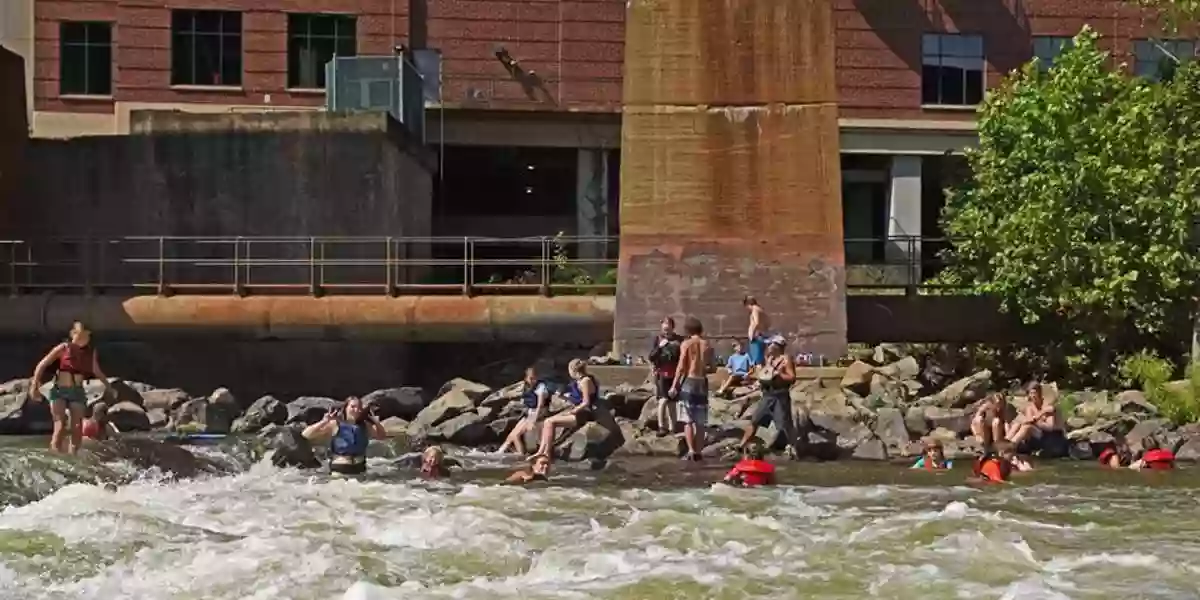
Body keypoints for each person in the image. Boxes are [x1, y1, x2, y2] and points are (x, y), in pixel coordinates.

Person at [29, 321, 113, 454]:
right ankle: (55, 454)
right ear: (72, 334)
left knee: (77, 426)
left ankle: (73, 455)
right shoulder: (63, 348)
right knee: (60, 425)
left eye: (86, 335)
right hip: (59, 391)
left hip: (77, 392)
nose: (83, 338)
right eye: (80, 334)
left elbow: (97, 371)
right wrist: (34, 386)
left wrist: (109, 387)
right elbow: (42, 365)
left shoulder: (90, 353)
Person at [535, 359, 621, 458]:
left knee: (551, 422)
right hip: (579, 410)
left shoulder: (586, 381)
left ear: (573, 370)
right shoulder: (578, 381)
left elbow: (586, 402)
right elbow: (576, 400)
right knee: (547, 421)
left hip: (585, 412)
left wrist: (573, 411)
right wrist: (563, 397)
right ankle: (542, 450)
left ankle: (546, 452)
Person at [739, 336, 805, 459]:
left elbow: (792, 378)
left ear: (777, 346)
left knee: (784, 424)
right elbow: (764, 375)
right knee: (755, 420)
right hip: (767, 395)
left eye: (770, 345)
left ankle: (793, 448)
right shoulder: (769, 359)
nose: (768, 347)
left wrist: (779, 374)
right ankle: (742, 445)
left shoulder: (786, 360)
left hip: (780, 396)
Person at [301, 396, 388, 475]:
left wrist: (377, 423)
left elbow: (382, 437)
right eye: (353, 407)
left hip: (360, 467)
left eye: (359, 407)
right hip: (340, 468)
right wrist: (324, 421)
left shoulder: (364, 425)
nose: (356, 410)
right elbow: (306, 434)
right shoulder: (335, 424)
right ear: (345, 408)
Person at [670, 317, 714, 461]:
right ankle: (699, 452)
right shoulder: (707, 345)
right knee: (700, 421)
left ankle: (690, 451)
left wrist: (674, 385)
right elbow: (713, 367)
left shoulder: (686, 344)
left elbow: (681, 367)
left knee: (688, 419)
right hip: (702, 383)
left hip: (689, 382)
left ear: (688, 330)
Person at [497, 367, 552, 455]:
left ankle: (521, 455)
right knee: (512, 435)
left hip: (538, 414)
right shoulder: (526, 386)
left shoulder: (541, 387)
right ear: (526, 378)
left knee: (515, 436)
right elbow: (523, 399)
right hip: (529, 413)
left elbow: (540, 405)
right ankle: (499, 452)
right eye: (530, 378)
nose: (533, 380)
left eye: (534, 378)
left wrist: (534, 420)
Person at [1007, 383, 1068, 458]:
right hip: (1038, 434)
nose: (1033, 395)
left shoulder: (1047, 406)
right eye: (1030, 393)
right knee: (1018, 425)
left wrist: (1037, 420)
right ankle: (1006, 442)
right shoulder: (1030, 407)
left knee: (1027, 427)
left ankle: (1011, 446)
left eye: (1034, 393)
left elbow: (1050, 427)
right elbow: (1029, 420)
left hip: (1052, 435)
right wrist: (1037, 417)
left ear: (1039, 393)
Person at [648, 317, 684, 437]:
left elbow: (682, 357)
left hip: (675, 374)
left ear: (673, 328)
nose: (666, 332)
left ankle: (673, 427)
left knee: (673, 402)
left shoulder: (679, 340)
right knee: (663, 400)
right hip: (662, 373)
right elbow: (651, 356)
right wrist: (660, 347)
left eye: (668, 330)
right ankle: (661, 426)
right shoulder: (658, 339)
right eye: (664, 330)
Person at [743, 296, 771, 367]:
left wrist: (753, 334)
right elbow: (768, 323)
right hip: (761, 335)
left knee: (757, 359)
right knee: (761, 358)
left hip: (756, 337)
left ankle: (759, 375)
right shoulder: (761, 310)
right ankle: (762, 375)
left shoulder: (755, 309)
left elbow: (756, 322)